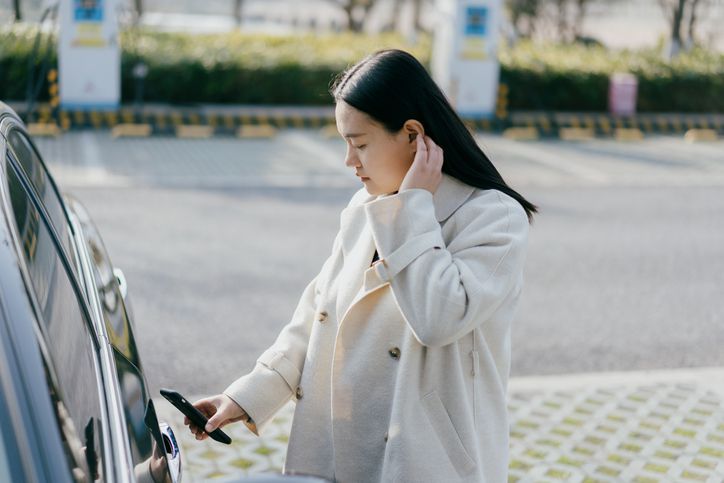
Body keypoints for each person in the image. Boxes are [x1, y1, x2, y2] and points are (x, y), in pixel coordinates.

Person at [185, 48, 538, 482]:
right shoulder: (365, 207)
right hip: (341, 453)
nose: (349, 161)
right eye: (345, 144)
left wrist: (412, 208)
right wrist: (246, 396)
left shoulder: (493, 217)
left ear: (412, 134)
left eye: (360, 144)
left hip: (427, 463)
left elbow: (437, 318)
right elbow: (317, 316)